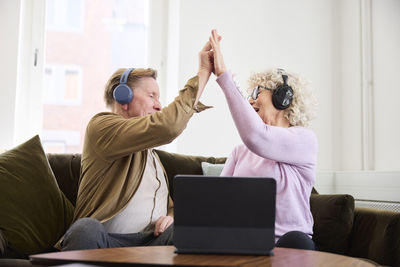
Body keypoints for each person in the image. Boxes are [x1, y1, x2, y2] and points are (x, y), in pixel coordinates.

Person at [60, 40, 214, 251]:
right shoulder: (101, 127)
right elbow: (168, 126)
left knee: (184, 229)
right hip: (108, 243)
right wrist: (204, 71)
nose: (159, 105)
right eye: (152, 96)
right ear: (123, 97)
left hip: (152, 245)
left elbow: (169, 206)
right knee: (85, 229)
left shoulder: (153, 157)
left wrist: (171, 217)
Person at [209, 29, 318, 250]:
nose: (249, 100)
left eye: (257, 91)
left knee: (297, 241)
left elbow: (257, 136)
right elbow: (217, 202)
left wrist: (223, 76)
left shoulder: (304, 140)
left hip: (289, 244)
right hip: (245, 242)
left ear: (283, 98)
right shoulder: (240, 151)